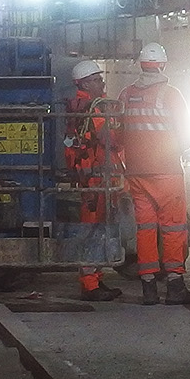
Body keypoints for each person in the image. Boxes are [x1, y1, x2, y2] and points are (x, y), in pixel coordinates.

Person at [117, 42, 190, 305]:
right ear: (163, 64)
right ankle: (175, 286)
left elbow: (117, 135)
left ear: (141, 64)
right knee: (173, 227)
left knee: (146, 228)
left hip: (136, 174)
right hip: (167, 172)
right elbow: (187, 137)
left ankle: (148, 287)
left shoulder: (126, 95)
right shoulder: (171, 94)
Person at [65, 59, 122, 301]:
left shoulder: (84, 105)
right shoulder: (92, 107)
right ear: (85, 83)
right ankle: (89, 284)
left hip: (95, 175)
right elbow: (106, 137)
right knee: (92, 230)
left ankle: (96, 279)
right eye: (97, 79)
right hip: (94, 177)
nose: (102, 83)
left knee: (101, 229)